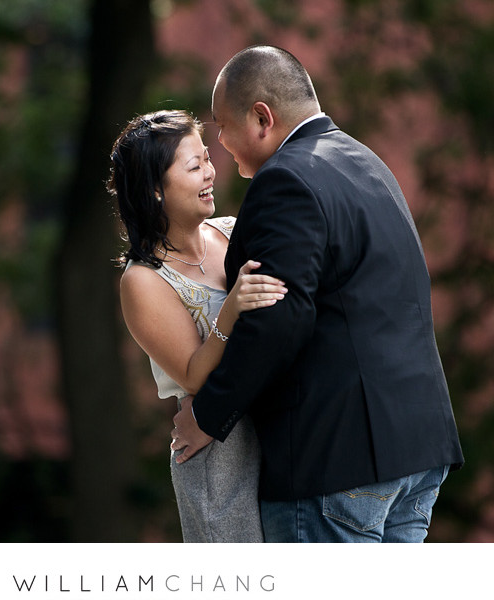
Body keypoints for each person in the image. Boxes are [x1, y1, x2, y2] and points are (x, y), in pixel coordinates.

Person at [171, 46, 465, 543]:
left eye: (223, 126)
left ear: (262, 117)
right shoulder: (368, 164)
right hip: (417, 449)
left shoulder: (285, 180)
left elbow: (277, 317)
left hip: (336, 464)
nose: (220, 143)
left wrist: (208, 417)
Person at [108, 110, 288, 542]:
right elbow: (192, 373)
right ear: (154, 190)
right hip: (216, 451)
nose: (210, 172)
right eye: (194, 166)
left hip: (274, 431)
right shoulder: (143, 280)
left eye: (207, 158)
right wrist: (231, 310)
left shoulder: (231, 231)